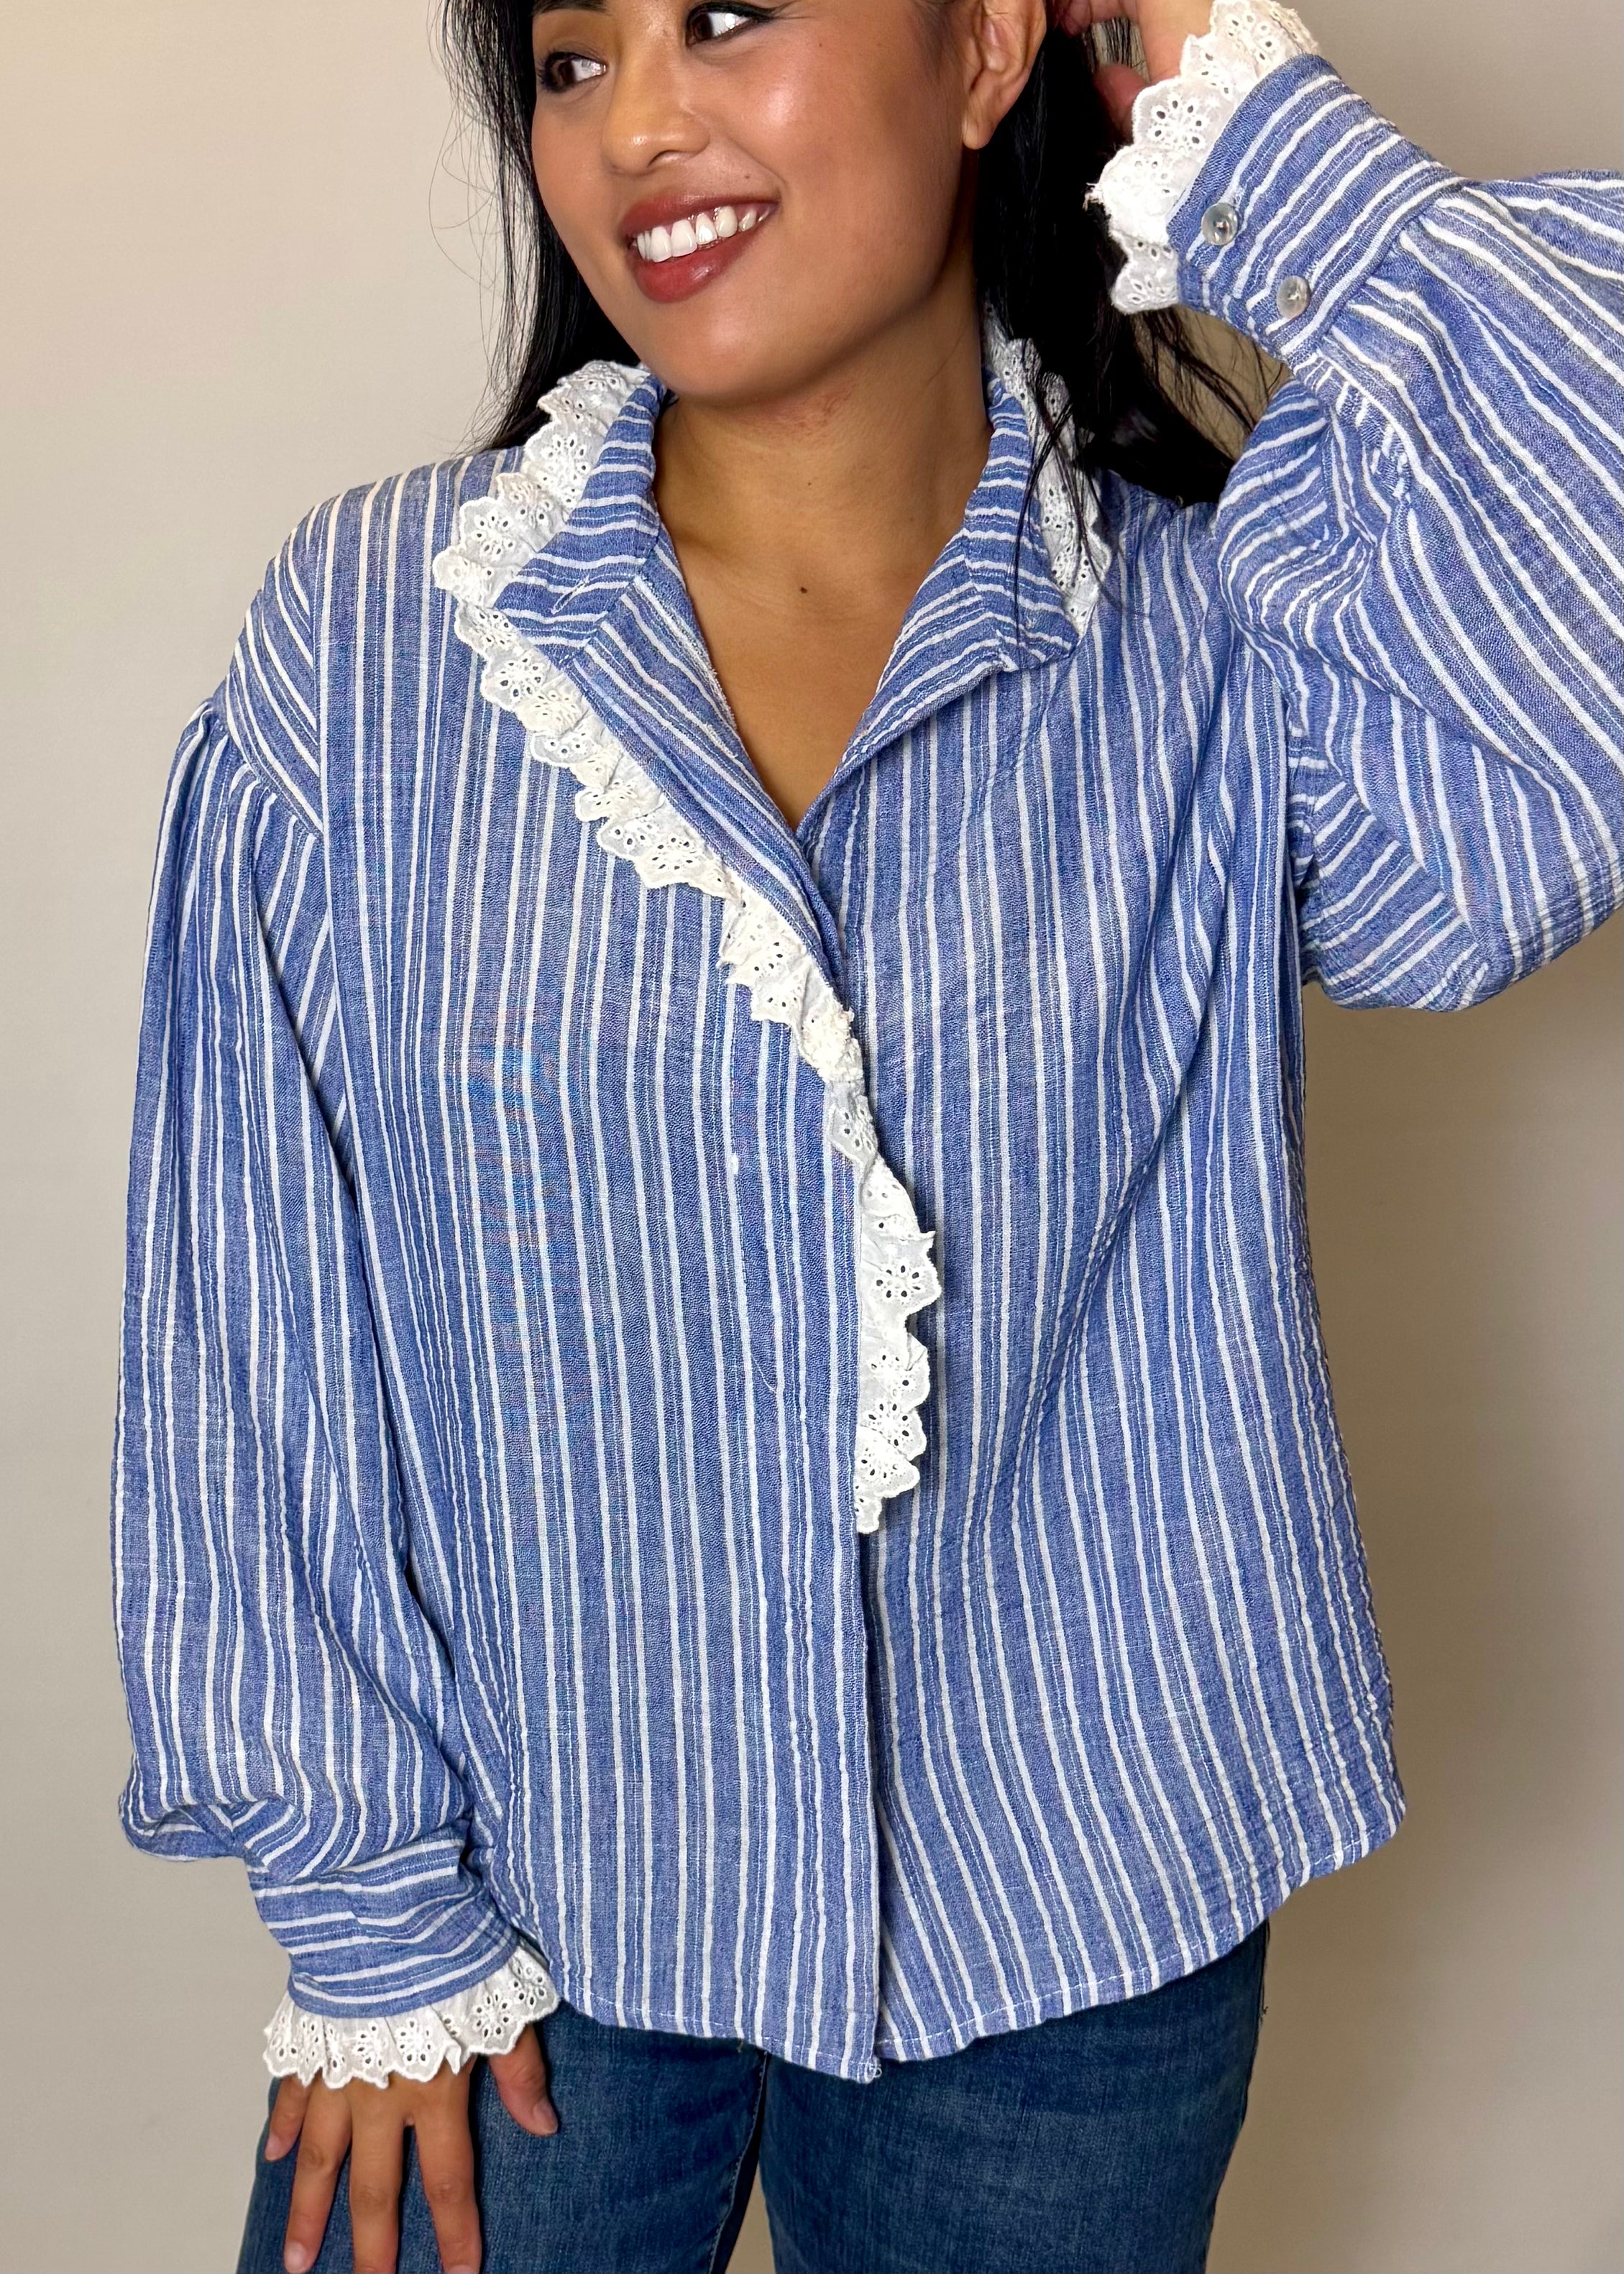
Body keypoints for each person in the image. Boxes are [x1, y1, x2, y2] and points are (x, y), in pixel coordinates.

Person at [108, 0, 1622, 2267]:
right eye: (569, 59)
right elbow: (249, 1306)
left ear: (993, 42)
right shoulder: (385, 644)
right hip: (525, 1904)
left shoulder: (1221, 641)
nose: (637, 126)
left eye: (724, 16)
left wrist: (1240, 115)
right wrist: (364, 1908)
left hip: (1075, 1909)